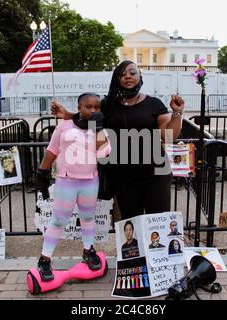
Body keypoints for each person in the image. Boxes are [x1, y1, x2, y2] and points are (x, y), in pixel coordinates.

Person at [50, 60, 185, 219]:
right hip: (123, 176)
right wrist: (67, 115)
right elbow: (89, 119)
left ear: (139, 76)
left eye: (132, 73)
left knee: (157, 222)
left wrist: (177, 113)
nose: (128, 76)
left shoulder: (154, 104)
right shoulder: (108, 105)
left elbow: (168, 136)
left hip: (156, 173)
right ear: (116, 79)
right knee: (130, 223)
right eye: (122, 74)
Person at [35, 93, 111, 282]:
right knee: (59, 221)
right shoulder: (64, 126)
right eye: (88, 107)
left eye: (97, 107)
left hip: (90, 181)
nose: (93, 110)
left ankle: (88, 250)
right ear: (79, 108)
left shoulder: (101, 130)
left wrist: (98, 129)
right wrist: (42, 171)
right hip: (66, 181)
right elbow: (52, 150)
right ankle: (45, 259)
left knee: (87, 217)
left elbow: (103, 155)